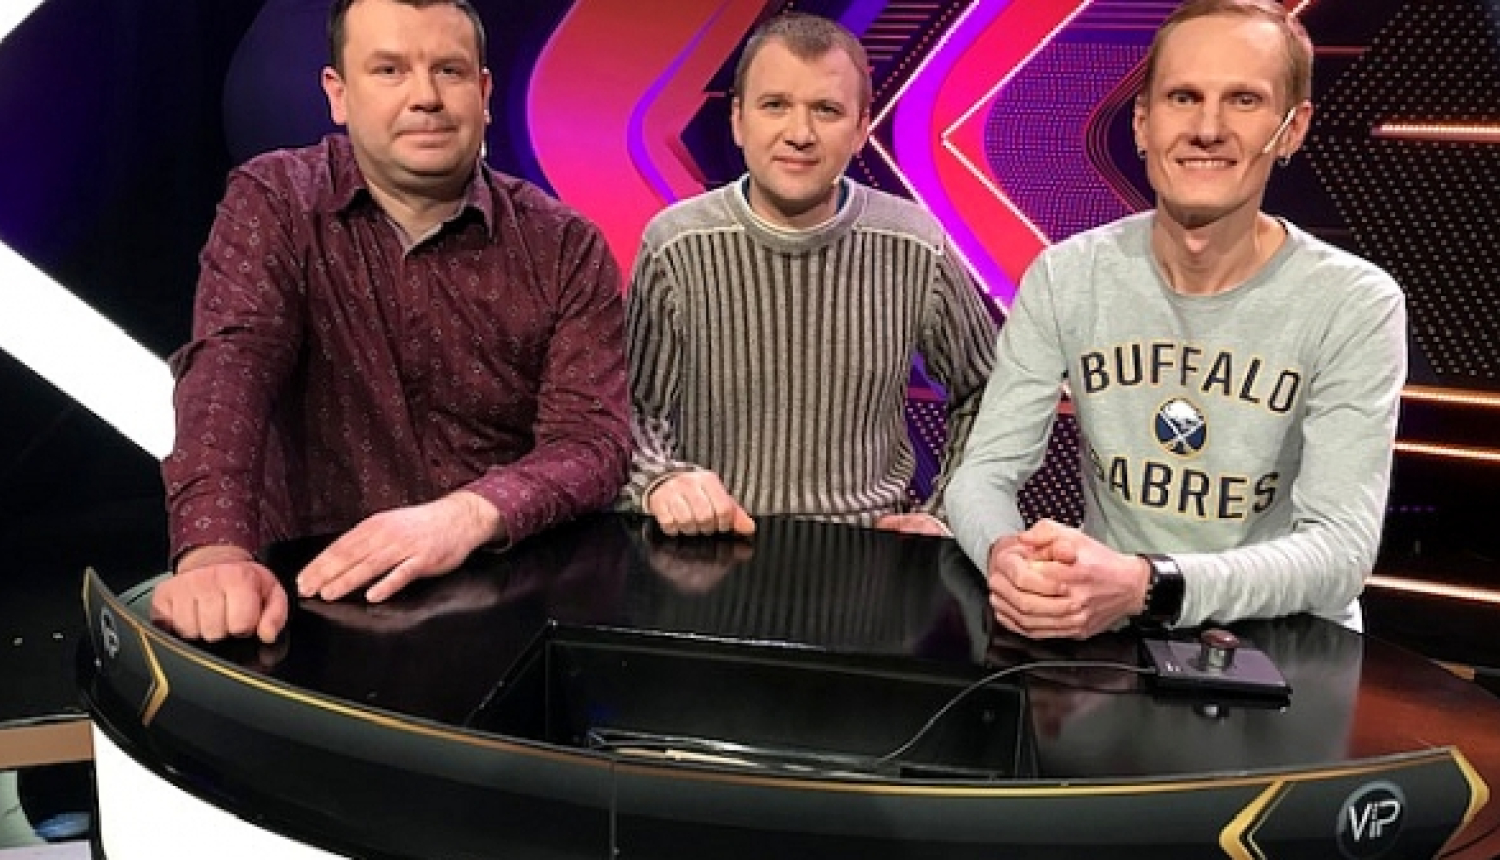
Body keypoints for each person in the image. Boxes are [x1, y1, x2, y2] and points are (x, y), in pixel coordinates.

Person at [152, 0, 630, 644]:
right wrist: (214, 554)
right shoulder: (276, 202)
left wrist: (464, 517)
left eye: (449, 71)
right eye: (389, 70)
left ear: (485, 92)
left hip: (506, 605)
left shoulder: (565, 246)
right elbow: (230, 374)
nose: (425, 96)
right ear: (338, 94)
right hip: (312, 603)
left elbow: (592, 442)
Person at [946, 0, 1407, 639]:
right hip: (1107, 629)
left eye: (1243, 100)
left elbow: (1340, 552)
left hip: (1281, 640)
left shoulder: (1354, 302)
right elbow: (983, 474)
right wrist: (1006, 555)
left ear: (1292, 129)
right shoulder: (1066, 277)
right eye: (1183, 97)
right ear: (1143, 122)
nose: (1207, 128)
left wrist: (1145, 585)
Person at [622, 12, 998, 539]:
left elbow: (987, 393)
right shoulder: (675, 245)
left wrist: (945, 511)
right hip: (713, 544)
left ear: (861, 129)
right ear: (738, 120)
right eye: (775, 105)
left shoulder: (915, 242)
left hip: (870, 550)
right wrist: (661, 481)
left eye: (826, 110)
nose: (799, 134)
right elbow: (633, 413)